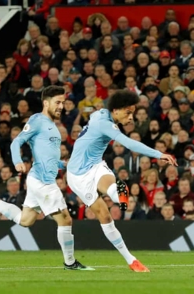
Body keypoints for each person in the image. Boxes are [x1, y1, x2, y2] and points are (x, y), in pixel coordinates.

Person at [0, 86, 92, 270]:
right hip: (42, 181)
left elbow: (51, 158)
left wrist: (65, 165)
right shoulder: (37, 120)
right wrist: (17, 161)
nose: (61, 106)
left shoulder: (53, 127)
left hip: (39, 179)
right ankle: (70, 262)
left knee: (25, 221)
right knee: (65, 220)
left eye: (62, 102)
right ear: (46, 103)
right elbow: (17, 142)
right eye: (58, 102)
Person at [66, 89, 176, 272]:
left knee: (109, 183)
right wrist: (159, 154)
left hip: (95, 165)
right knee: (105, 216)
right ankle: (120, 200)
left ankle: (120, 199)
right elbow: (130, 143)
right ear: (116, 110)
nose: (131, 117)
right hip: (78, 176)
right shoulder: (105, 124)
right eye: (128, 112)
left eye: (132, 112)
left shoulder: (100, 114)